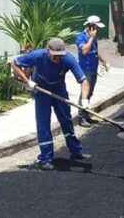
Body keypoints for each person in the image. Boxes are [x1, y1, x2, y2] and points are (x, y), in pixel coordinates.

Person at [12, 38, 93, 170]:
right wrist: (27, 81)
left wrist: (84, 99)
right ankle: (45, 159)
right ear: (48, 51)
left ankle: (76, 152)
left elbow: (83, 81)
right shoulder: (37, 55)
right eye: (55, 56)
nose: (57, 59)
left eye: (60, 56)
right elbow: (15, 63)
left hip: (59, 90)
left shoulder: (68, 59)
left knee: (66, 121)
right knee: (43, 123)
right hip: (41, 91)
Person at [75, 15, 109, 127]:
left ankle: (86, 115)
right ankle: (81, 117)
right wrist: (91, 38)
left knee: (90, 93)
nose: (98, 30)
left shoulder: (93, 38)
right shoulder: (81, 37)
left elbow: (94, 51)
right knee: (84, 93)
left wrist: (103, 61)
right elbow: (84, 51)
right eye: (96, 27)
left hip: (93, 69)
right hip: (85, 69)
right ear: (91, 27)